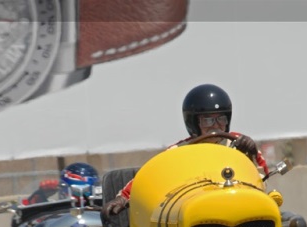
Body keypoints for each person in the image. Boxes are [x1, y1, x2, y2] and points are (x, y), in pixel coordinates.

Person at [101, 84, 268, 219]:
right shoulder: (178, 151)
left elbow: (264, 173)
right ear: (194, 122)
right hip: (200, 211)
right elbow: (150, 174)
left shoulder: (238, 142)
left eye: (221, 118)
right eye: (208, 119)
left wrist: (251, 152)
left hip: (239, 204)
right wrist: (123, 197)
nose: (215, 125)